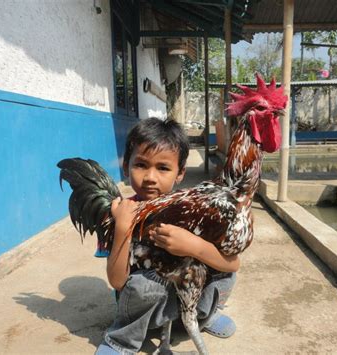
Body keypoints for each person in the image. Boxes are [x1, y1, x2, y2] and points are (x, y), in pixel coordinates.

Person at [96, 117, 239, 355]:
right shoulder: (117, 214)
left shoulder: (193, 209)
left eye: (163, 168)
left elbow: (234, 264)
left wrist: (194, 246)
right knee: (145, 285)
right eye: (141, 165)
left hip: (185, 296)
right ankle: (121, 340)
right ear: (125, 167)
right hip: (142, 306)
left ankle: (204, 316)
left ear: (180, 173)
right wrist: (122, 229)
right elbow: (117, 282)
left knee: (223, 272)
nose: (150, 177)